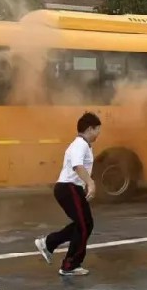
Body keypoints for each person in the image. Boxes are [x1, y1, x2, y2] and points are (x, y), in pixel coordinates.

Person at [35, 112, 102, 277]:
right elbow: (77, 166)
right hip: (69, 188)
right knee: (85, 225)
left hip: (70, 188)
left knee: (83, 224)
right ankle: (70, 265)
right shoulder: (80, 144)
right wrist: (91, 183)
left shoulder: (82, 144)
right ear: (89, 129)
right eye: (97, 130)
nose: (98, 133)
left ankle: (48, 243)